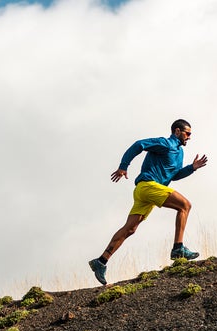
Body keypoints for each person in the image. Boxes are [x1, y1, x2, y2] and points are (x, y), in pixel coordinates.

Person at [89, 119, 208, 285]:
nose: (189, 137)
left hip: (146, 192)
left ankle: (101, 261)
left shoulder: (179, 153)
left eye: (190, 134)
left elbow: (173, 175)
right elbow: (139, 144)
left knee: (130, 229)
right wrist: (124, 166)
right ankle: (178, 248)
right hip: (147, 186)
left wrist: (192, 168)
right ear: (177, 131)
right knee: (185, 205)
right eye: (187, 133)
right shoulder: (165, 143)